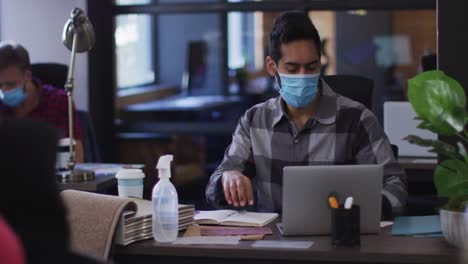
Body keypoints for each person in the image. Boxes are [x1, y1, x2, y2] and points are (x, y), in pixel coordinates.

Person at [206, 11, 407, 218]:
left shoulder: (357, 119)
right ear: (271, 66)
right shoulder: (254, 120)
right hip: (273, 243)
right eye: (292, 69)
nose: (303, 76)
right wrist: (228, 179)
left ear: (320, 63)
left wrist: (361, 209)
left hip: (341, 237)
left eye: (311, 67)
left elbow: (394, 186)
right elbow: (215, 187)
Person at [0, 41, 83, 162]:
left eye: (10, 84)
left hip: (51, 177)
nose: (4, 91)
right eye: (0, 85)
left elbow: (77, 158)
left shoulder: (59, 102)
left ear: (27, 76)